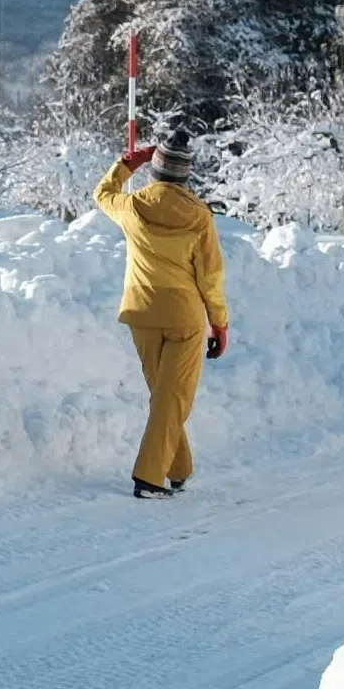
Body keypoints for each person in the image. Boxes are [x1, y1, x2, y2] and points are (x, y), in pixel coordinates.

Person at [94, 124, 228, 499]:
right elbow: (211, 276)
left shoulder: (133, 206)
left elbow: (102, 193)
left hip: (141, 311)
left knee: (164, 395)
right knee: (173, 397)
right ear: (185, 173)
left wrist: (127, 163)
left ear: (155, 168)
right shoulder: (199, 216)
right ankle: (149, 478)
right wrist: (219, 322)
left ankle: (178, 468)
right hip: (182, 316)